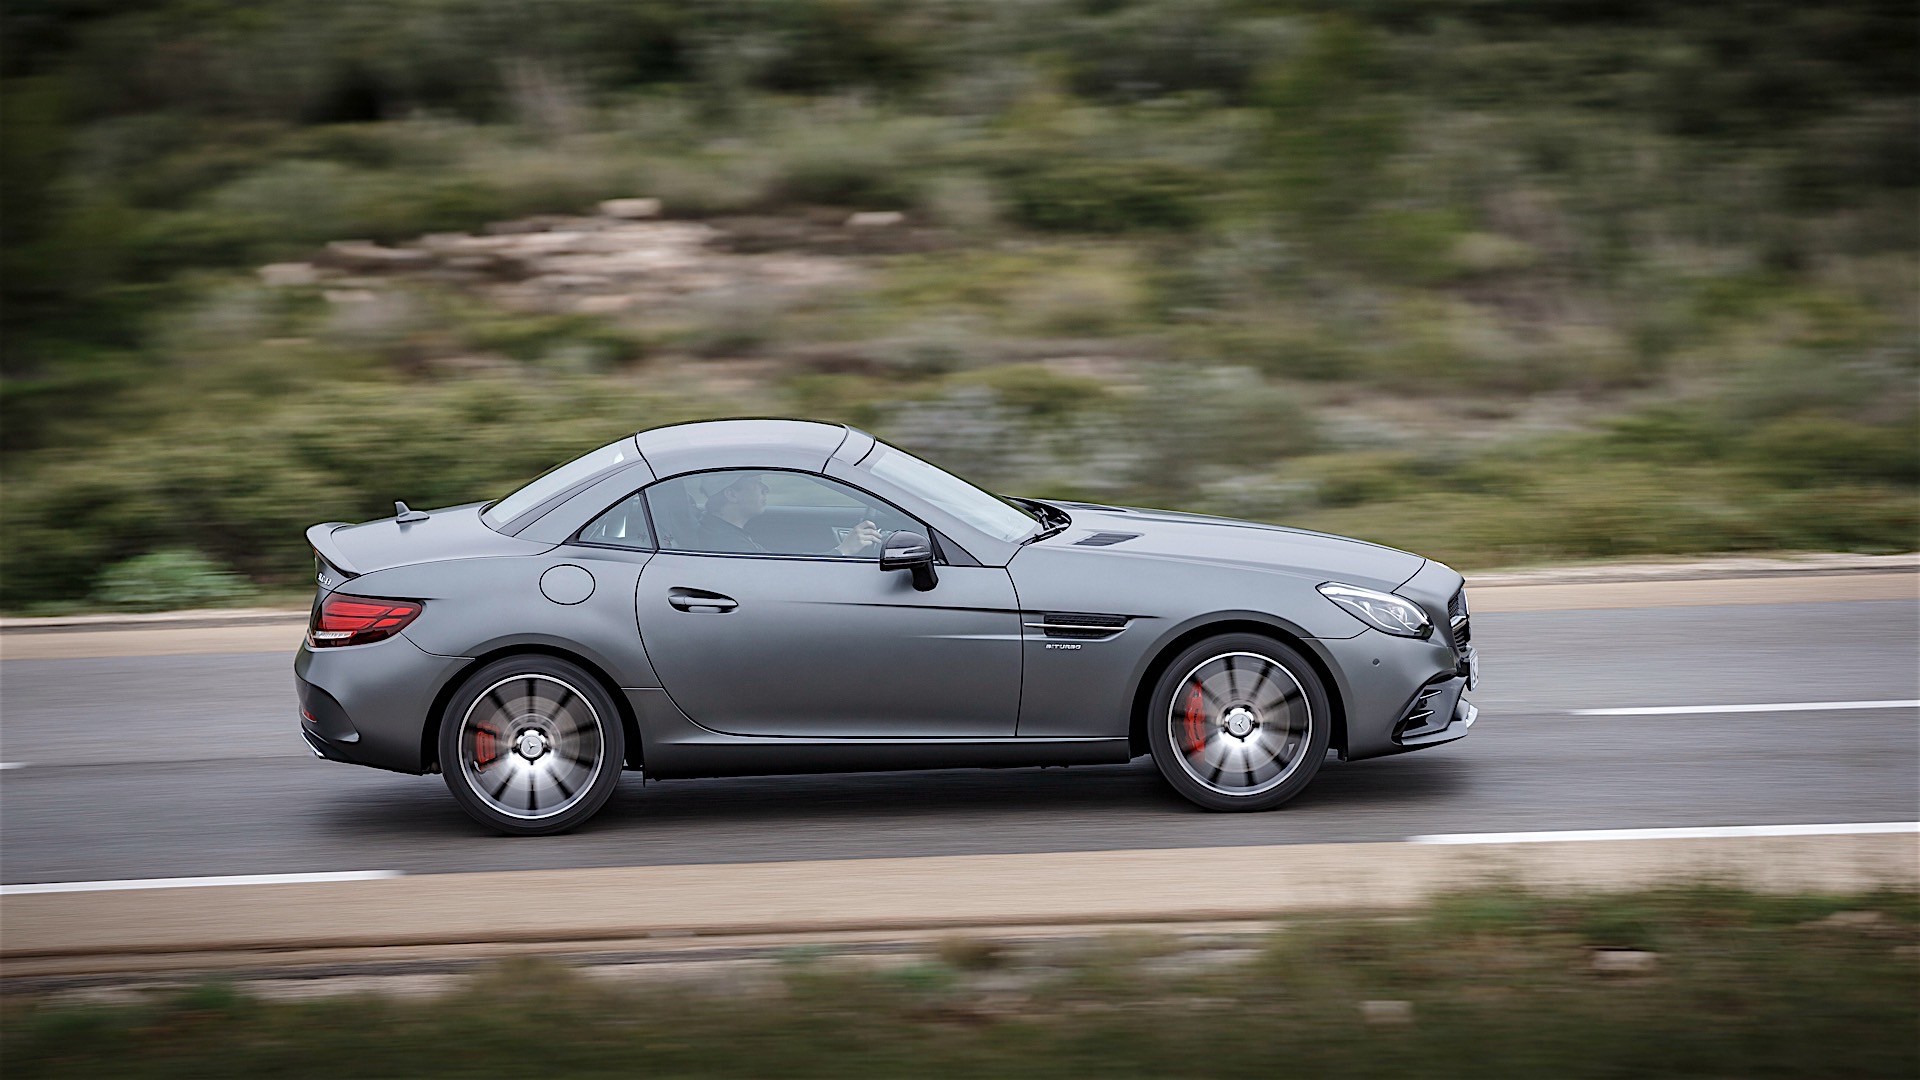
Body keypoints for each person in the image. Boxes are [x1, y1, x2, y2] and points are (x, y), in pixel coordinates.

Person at [698, 474, 881, 556]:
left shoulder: (725, 533)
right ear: (731, 494)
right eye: (757, 482)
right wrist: (843, 551)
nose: (766, 489)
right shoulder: (728, 545)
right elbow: (781, 575)